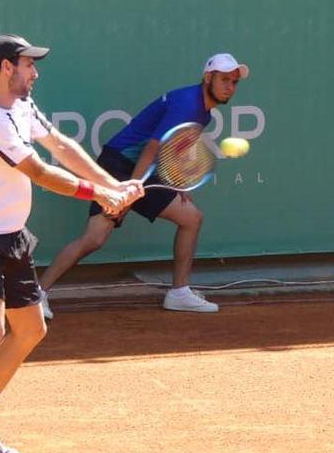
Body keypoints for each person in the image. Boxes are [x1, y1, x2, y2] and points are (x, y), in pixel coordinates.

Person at [0, 34, 142, 453]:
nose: (35, 71)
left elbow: (60, 147)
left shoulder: (22, 106)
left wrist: (113, 185)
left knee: (32, 329)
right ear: (4, 67)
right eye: (28, 64)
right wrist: (99, 194)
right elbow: (39, 170)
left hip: (13, 236)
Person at [39, 53, 249, 317]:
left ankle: (179, 293)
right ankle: (37, 294)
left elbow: (174, 149)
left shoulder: (203, 112)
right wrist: (130, 189)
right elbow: (152, 148)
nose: (230, 86)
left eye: (234, 82)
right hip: (118, 164)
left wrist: (179, 184)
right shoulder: (187, 104)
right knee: (95, 238)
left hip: (144, 169)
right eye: (224, 79)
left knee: (191, 218)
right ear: (208, 77)